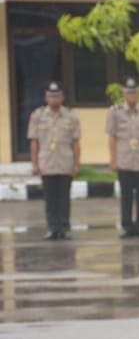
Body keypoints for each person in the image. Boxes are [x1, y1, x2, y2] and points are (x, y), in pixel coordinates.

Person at [27, 81, 81, 240]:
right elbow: (34, 141)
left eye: (57, 96)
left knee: (64, 197)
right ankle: (52, 227)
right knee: (50, 198)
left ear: (62, 97)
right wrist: (35, 163)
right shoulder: (37, 116)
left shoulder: (71, 116)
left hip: (65, 161)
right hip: (47, 161)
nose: (54, 99)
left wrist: (77, 163)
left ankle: (64, 227)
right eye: (51, 96)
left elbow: (76, 143)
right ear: (46, 97)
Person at [106, 77, 139, 238]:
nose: (132, 96)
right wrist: (113, 158)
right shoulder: (115, 112)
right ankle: (127, 226)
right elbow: (112, 137)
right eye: (129, 93)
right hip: (124, 159)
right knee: (126, 195)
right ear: (123, 94)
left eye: (134, 93)